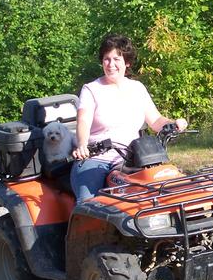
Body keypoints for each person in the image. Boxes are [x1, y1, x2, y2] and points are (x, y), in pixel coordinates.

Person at [70, 33, 188, 203]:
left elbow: (155, 121)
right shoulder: (91, 89)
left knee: (166, 192)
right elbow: (83, 121)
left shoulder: (136, 88)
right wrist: (82, 145)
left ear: (127, 62)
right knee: (89, 205)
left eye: (116, 59)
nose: (111, 64)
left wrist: (173, 124)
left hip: (133, 159)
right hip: (96, 160)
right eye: (106, 59)